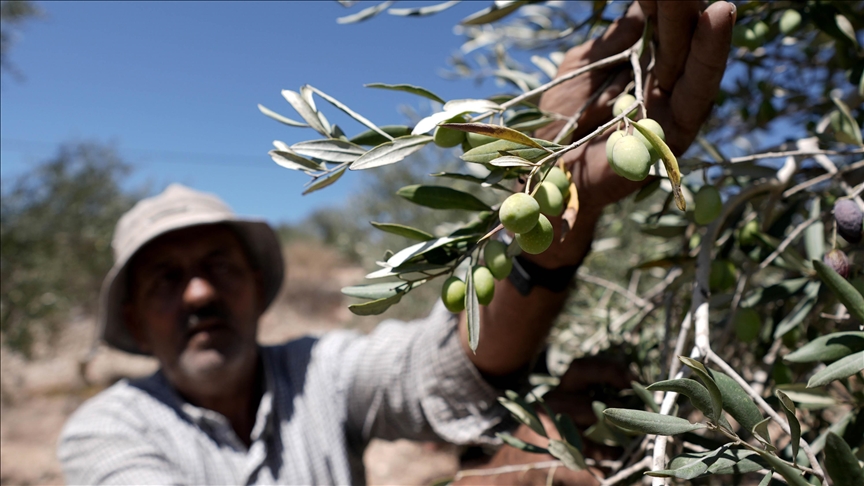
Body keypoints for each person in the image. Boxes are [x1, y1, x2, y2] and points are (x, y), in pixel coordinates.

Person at [57, 2, 735, 484]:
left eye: (215, 266)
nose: (199, 292)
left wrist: (552, 220)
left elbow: (450, 373)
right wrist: (497, 479)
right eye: (164, 281)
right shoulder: (108, 434)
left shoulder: (314, 375)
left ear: (255, 287)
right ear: (137, 322)